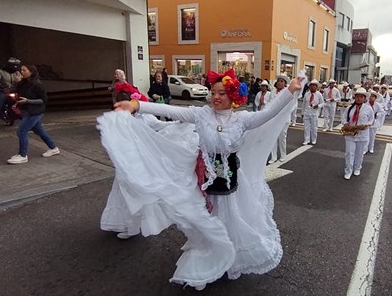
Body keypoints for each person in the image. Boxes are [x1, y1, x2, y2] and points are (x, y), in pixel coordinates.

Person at [101, 68, 303, 290]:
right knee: (205, 221)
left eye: (222, 93)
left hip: (229, 183)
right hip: (203, 180)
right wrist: (137, 105)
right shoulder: (201, 115)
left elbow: (268, 113)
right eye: (213, 92)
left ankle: (227, 257)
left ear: (233, 96)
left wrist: (290, 91)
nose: (216, 97)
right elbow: (170, 110)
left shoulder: (242, 119)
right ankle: (203, 265)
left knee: (228, 218)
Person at [7, 65, 60, 164]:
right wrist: (16, 82)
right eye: (21, 70)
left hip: (35, 111)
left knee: (21, 131)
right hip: (26, 110)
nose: (21, 72)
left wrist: (28, 101)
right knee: (39, 130)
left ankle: (22, 155)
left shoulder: (37, 84)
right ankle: (53, 148)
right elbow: (13, 92)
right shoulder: (22, 83)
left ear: (31, 72)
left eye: (24, 70)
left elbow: (44, 100)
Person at [340, 87, 374, 179]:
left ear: (364, 98)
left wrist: (366, 125)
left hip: (362, 134)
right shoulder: (350, 108)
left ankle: (357, 168)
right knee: (349, 153)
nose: (359, 98)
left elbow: (371, 120)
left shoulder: (368, 109)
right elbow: (343, 118)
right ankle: (348, 170)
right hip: (350, 134)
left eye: (361, 97)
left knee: (359, 153)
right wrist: (346, 124)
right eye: (357, 96)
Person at [0, 57, 22, 130]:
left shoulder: (16, 72)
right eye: (13, 65)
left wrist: (20, 80)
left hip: (14, 91)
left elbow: (21, 78)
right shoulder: (0, 71)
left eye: (16, 66)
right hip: (3, 91)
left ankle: (24, 119)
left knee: (21, 103)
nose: (14, 67)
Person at [268, 74, 291, 163]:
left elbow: (292, 105)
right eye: (278, 81)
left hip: (284, 119)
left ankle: (283, 155)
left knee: (282, 138)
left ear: (285, 84)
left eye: (282, 81)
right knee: (273, 138)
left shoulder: (287, 92)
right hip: (274, 118)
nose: (279, 83)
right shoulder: (273, 92)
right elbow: (269, 103)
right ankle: (273, 156)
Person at [302, 79, 323, 145]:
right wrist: (302, 113)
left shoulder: (319, 94)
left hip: (314, 113)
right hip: (307, 112)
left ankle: (314, 139)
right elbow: (303, 104)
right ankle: (306, 139)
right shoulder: (306, 94)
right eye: (311, 85)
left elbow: (323, 103)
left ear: (316, 87)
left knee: (314, 127)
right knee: (306, 127)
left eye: (314, 85)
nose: (312, 87)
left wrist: (318, 106)